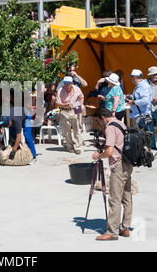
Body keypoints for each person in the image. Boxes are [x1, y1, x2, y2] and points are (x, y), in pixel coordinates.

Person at [93, 108, 133, 241]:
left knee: (114, 199)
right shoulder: (121, 123)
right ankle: (125, 227)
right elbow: (117, 144)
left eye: (100, 121)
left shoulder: (110, 127)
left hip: (118, 165)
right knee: (126, 197)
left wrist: (99, 155)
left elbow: (110, 151)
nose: (101, 124)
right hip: (128, 163)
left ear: (104, 118)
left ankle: (112, 231)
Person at [56, 76, 84, 154]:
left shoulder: (77, 89)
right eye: (65, 83)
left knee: (77, 128)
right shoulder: (60, 90)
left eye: (68, 83)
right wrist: (66, 104)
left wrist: (80, 105)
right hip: (64, 111)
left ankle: (78, 147)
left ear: (72, 83)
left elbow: (81, 97)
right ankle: (70, 147)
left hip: (75, 109)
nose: (66, 85)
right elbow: (58, 103)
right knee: (66, 130)